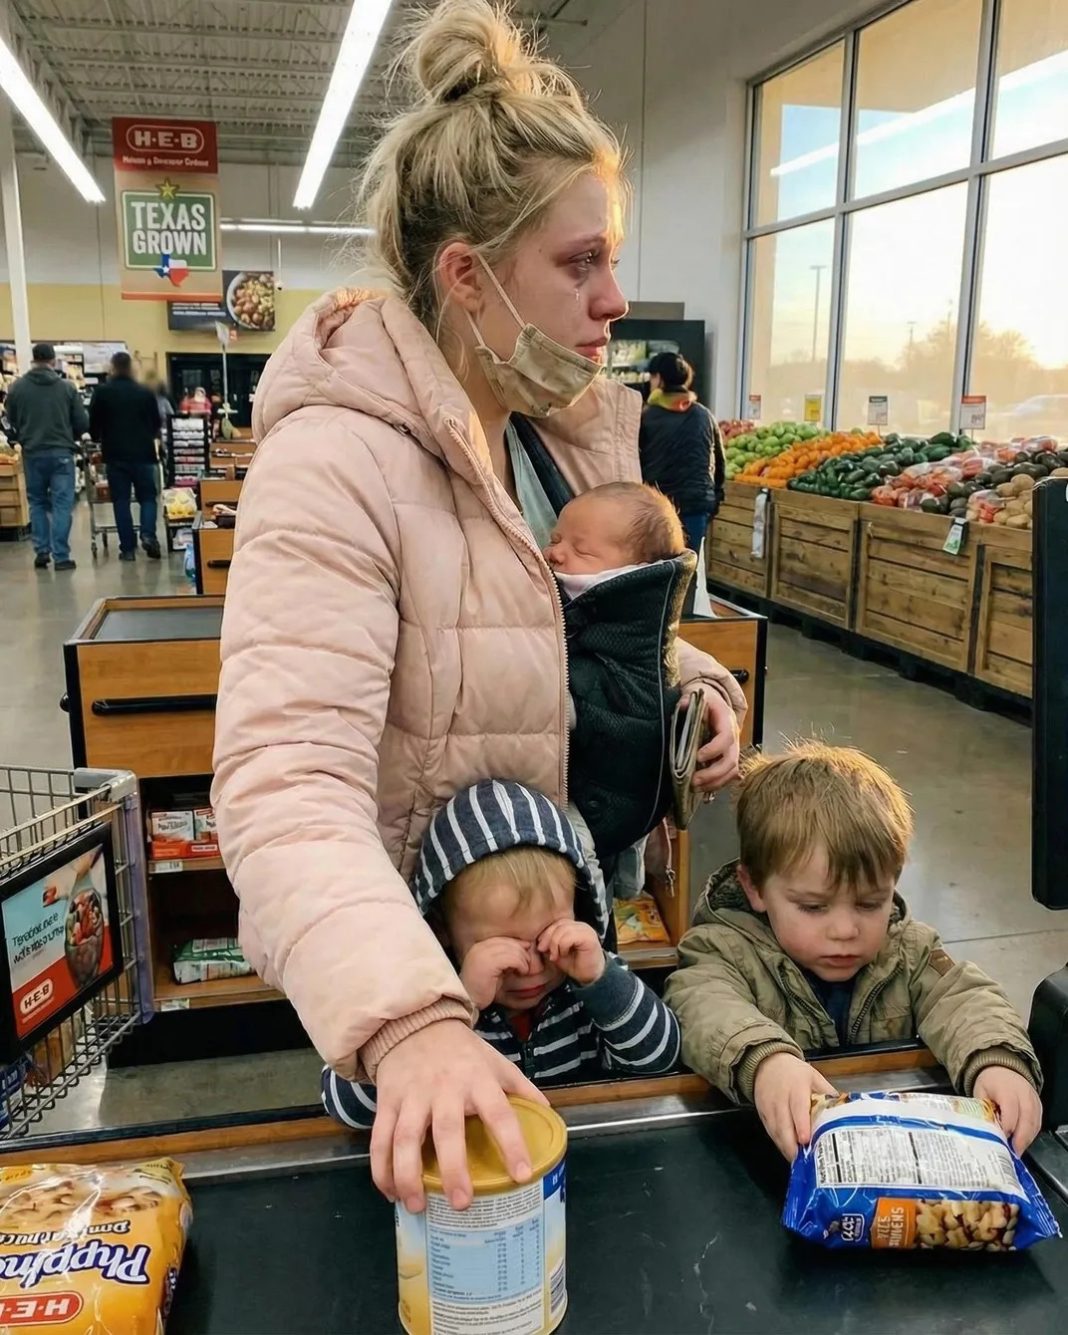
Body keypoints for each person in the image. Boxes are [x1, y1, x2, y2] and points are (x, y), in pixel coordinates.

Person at [211, 0, 745, 1217]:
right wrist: (407, 1024)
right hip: (431, 997)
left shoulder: (566, 442)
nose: (615, 298)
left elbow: (586, 630)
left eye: (609, 257)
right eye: (578, 262)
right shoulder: (337, 465)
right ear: (466, 276)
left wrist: (693, 686)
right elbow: (287, 780)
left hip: (580, 953)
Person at [664, 743, 1043, 1161]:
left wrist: (997, 1061)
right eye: (813, 907)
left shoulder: (909, 952)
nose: (845, 930)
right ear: (755, 887)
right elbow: (701, 1002)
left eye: (869, 903)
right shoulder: (722, 951)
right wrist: (766, 1062)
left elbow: (964, 999)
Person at [322, 780, 680, 1128]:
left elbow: (660, 1058)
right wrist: (462, 1004)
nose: (530, 967)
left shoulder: (587, 976)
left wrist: (601, 979)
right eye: (500, 945)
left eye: (548, 937)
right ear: (440, 929)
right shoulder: (414, 1000)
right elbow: (348, 1109)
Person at [544, 481, 695, 865]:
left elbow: (580, 687)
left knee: (578, 854)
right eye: (555, 538)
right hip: (614, 792)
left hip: (604, 799)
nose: (554, 554)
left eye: (581, 550)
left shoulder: (621, 620)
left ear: (633, 572)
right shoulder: (607, 608)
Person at [6, 342, 89, 571]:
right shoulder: (67, 388)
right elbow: (82, 423)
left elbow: (8, 419)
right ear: (53, 361)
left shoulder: (17, 388)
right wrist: (69, 434)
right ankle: (61, 556)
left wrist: (20, 436)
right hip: (62, 453)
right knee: (62, 504)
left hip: (32, 453)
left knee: (37, 502)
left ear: (34, 359)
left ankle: (42, 551)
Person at [639, 351, 725, 559]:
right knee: (689, 565)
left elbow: (634, 459)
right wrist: (715, 498)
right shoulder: (703, 414)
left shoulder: (647, 417)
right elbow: (719, 460)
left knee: (659, 568)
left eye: (652, 377)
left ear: (659, 378)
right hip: (697, 504)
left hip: (659, 506)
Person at [89, 352, 162, 561]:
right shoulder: (144, 393)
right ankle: (148, 534)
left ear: (112, 368)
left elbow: (94, 424)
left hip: (115, 455)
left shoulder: (102, 393)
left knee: (121, 501)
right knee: (148, 497)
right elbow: (156, 424)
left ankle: (127, 549)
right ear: (131, 368)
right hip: (143, 454)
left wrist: (98, 437)